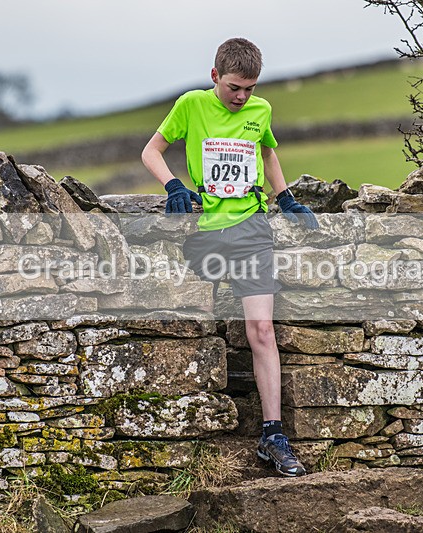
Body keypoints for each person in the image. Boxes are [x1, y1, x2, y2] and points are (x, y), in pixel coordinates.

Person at [141, 37, 318, 477]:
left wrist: (288, 199)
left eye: (250, 89)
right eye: (234, 87)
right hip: (202, 235)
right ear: (215, 76)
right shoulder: (191, 105)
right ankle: (188, 443)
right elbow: (151, 151)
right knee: (185, 321)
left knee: (261, 328)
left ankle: (274, 435)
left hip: (251, 231)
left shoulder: (261, 112)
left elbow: (267, 151)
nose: (242, 97)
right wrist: (173, 186)